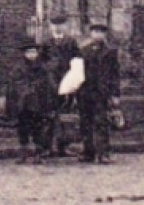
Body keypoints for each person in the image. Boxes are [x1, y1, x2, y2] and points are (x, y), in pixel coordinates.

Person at [77, 22, 122, 165]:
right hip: (85, 91)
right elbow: (76, 72)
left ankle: (104, 153)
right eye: (95, 32)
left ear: (104, 35)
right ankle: (88, 152)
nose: (98, 35)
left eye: (101, 32)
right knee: (85, 122)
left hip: (102, 93)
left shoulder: (110, 52)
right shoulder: (83, 51)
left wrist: (115, 94)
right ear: (90, 34)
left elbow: (115, 74)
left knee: (101, 122)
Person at [11, 41, 58, 163]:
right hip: (24, 103)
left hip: (39, 103)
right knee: (23, 128)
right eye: (28, 52)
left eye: (34, 52)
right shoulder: (19, 67)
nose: (31, 54)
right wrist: (27, 91)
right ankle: (24, 152)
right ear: (24, 54)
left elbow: (48, 83)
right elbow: (16, 83)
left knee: (39, 128)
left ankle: (39, 153)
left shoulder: (43, 67)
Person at [44, 15, 82, 157]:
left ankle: (63, 146)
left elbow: (77, 60)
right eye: (54, 24)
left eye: (60, 24)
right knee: (50, 115)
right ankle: (49, 146)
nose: (57, 27)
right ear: (50, 26)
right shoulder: (46, 43)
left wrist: (74, 80)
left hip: (67, 80)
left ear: (65, 26)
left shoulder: (71, 42)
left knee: (65, 114)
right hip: (51, 82)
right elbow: (41, 62)